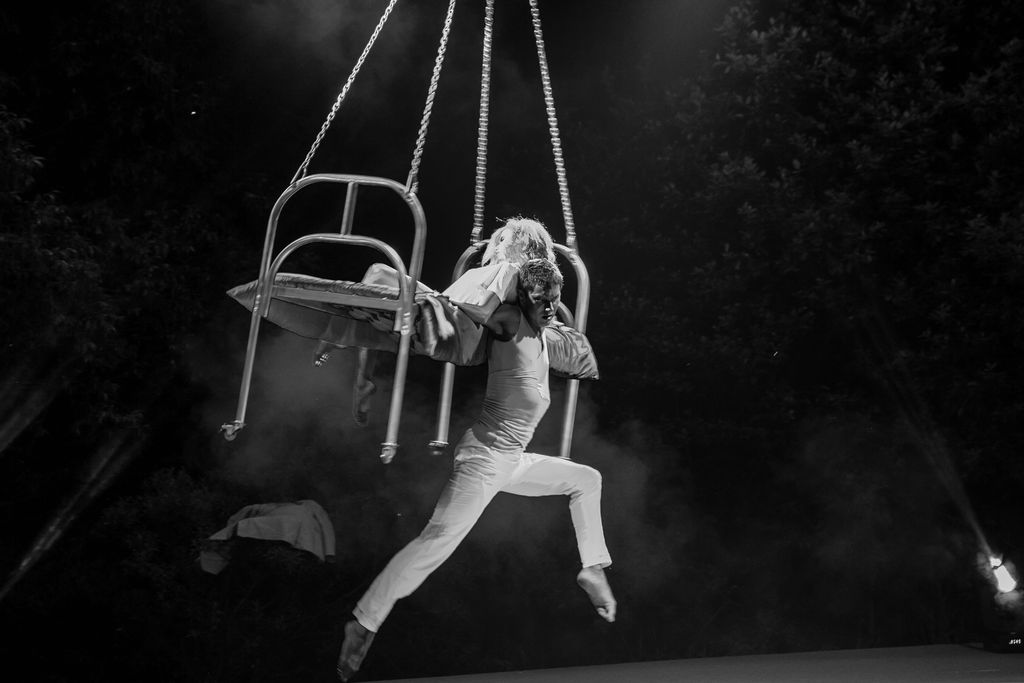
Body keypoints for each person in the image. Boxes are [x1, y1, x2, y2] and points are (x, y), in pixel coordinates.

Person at [336, 258, 615, 682]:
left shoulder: (544, 335)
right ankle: (364, 622)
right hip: (483, 460)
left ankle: (592, 568)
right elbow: (461, 307)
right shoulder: (510, 322)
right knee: (434, 543)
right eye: (540, 299)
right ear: (522, 298)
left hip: (512, 461)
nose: (549, 307)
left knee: (586, 479)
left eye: (555, 300)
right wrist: (504, 273)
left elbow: (575, 349)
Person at [313, 217, 557, 425]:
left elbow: (483, 312)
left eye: (504, 239)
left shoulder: (510, 270)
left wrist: (446, 301)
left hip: (453, 321)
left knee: (378, 281)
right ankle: (362, 379)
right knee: (377, 284)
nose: (498, 244)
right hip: (442, 309)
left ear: (523, 243)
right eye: (499, 239)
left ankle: (343, 344)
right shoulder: (490, 270)